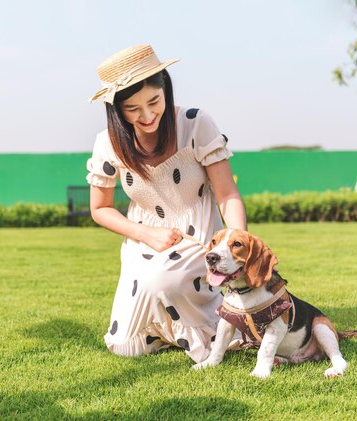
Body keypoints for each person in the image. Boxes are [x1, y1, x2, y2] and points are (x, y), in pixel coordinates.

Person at [87, 44, 246, 363]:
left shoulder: (196, 123)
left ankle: (209, 324)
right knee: (125, 344)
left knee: (161, 280)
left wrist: (236, 245)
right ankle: (178, 328)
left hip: (197, 236)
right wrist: (146, 234)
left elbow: (227, 194)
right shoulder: (108, 143)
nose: (146, 116)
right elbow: (99, 208)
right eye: (132, 109)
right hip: (144, 240)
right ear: (116, 110)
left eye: (154, 102)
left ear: (166, 89)